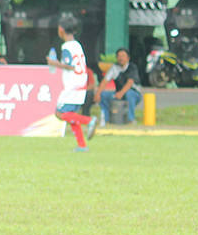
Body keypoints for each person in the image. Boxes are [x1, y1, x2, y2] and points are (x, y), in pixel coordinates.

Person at [46, 16, 96, 152]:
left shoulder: (67, 46)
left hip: (72, 84)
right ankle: (82, 145)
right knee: (71, 115)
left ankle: (88, 121)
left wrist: (53, 63)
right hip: (80, 82)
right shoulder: (77, 45)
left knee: (59, 113)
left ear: (61, 29)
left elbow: (69, 65)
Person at [94, 47, 142, 125]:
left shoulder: (132, 68)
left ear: (128, 58)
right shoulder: (114, 68)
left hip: (133, 94)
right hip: (118, 93)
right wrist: (98, 93)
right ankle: (107, 119)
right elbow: (105, 81)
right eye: (119, 56)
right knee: (103, 95)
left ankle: (131, 120)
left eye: (123, 56)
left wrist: (121, 93)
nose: (121, 58)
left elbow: (130, 83)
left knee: (129, 94)